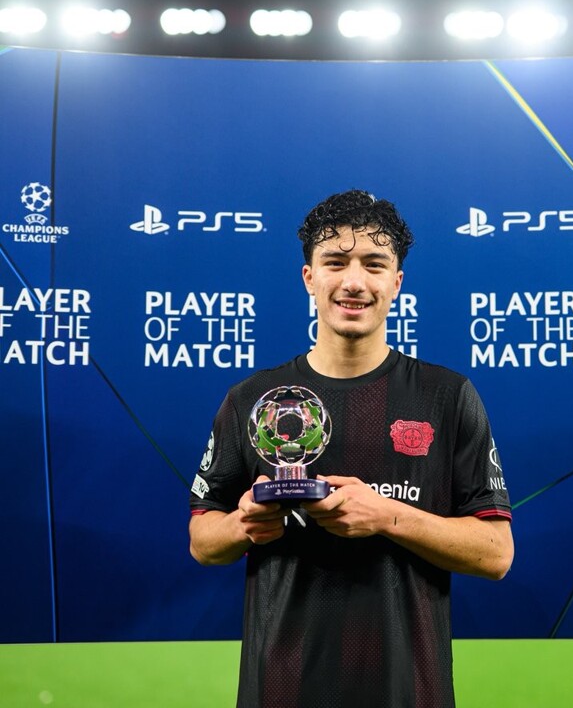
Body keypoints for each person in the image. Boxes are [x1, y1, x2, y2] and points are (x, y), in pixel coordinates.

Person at [189, 189, 513, 708]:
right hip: (280, 691)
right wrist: (243, 524)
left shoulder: (447, 396)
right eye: (335, 262)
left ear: (397, 282)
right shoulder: (252, 399)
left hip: (408, 692)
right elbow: (202, 541)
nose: (354, 281)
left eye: (374, 264)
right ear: (309, 277)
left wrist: (387, 516)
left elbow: (496, 553)